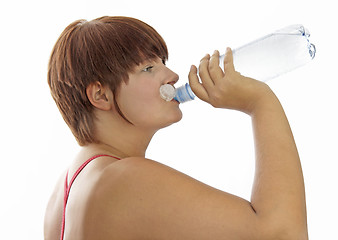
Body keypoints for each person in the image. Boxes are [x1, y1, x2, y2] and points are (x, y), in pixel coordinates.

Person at [44, 16, 308, 240]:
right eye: (148, 68)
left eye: (162, 62)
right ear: (101, 96)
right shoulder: (123, 178)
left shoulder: (65, 191)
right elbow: (283, 234)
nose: (172, 76)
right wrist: (261, 102)